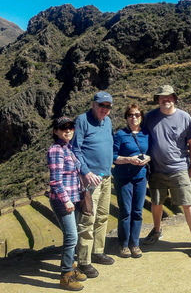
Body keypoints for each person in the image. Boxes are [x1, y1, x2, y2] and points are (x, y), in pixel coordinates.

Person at [142, 84, 191, 257]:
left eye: (168, 97)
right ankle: (157, 230)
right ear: (158, 100)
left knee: (187, 203)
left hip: (179, 168)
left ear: (174, 99)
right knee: (156, 203)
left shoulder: (185, 118)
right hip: (157, 169)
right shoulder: (150, 117)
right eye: (161, 98)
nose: (165, 100)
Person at [71, 92, 115, 278]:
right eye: (101, 105)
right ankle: (84, 261)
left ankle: (97, 251)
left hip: (106, 176)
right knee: (87, 218)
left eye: (108, 106)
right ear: (93, 104)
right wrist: (86, 172)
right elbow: (75, 149)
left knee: (103, 216)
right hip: (90, 180)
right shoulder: (82, 120)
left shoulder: (108, 121)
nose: (104, 109)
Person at [47, 116, 87, 291]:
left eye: (71, 127)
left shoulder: (68, 148)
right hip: (64, 201)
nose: (68, 130)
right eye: (63, 128)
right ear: (55, 131)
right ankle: (66, 276)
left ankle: (71, 267)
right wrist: (67, 200)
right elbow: (55, 181)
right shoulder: (56, 150)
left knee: (73, 236)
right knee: (71, 238)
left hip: (74, 199)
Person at [113, 103, 150, 258]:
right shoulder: (120, 135)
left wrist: (147, 158)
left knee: (137, 211)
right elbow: (113, 157)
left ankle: (134, 244)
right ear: (126, 118)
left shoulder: (146, 133)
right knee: (125, 211)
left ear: (141, 117)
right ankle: (123, 244)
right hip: (124, 178)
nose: (133, 117)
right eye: (130, 115)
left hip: (140, 177)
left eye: (136, 115)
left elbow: (150, 152)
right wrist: (129, 159)